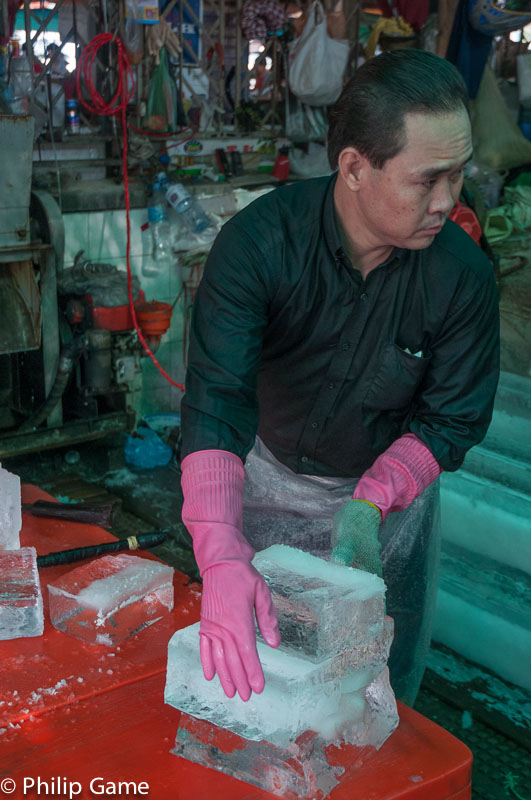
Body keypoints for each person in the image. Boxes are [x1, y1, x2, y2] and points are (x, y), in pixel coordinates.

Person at [179, 49, 500, 707]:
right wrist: (218, 553)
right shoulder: (258, 247)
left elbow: (450, 420)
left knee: (371, 686)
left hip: (387, 510)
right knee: (264, 685)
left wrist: (370, 500)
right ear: (355, 167)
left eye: (458, 175)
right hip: (265, 482)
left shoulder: (461, 277)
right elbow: (217, 403)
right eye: (426, 180)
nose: (447, 201)